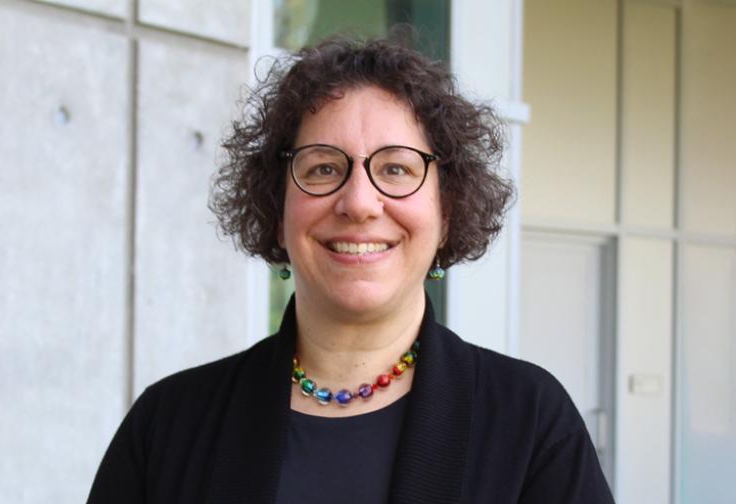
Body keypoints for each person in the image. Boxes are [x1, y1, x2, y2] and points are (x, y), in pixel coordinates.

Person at [88, 36, 614, 503]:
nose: (359, 202)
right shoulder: (169, 424)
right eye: (322, 167)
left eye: (395, 168)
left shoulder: (529, 423)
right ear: (277, 210)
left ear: (447, 211)